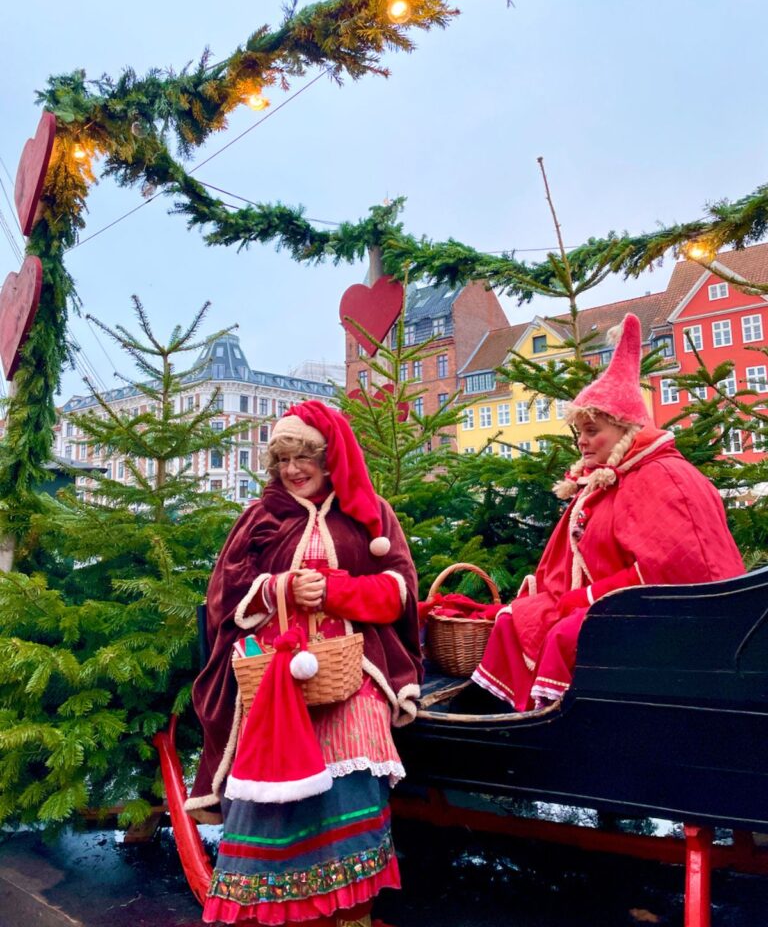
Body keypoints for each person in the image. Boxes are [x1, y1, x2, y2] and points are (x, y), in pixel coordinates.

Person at [185, 400, 422, 927]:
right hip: (272, 669)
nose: (293, 470)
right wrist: (278, 588)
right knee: (269, 767)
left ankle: (354, 907)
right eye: (284, 460)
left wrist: (339, 593)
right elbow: (225, 596)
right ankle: (275, 905)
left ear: (328, 457)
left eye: (304, 458)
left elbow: (402, 593)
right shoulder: (259, 517)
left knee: (355, 749)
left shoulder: (372, 514)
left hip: (353, 665)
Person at [472, 313, 745, 712]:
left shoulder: (661, 477)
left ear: (625, 430)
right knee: (516, 618)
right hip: (619, 606)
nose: (581, 442)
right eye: (578, 432)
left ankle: (549, 724)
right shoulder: (611, 476)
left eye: (592, 431)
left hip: (665, 622)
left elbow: (671, 572)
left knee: (564, 634)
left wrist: (582, 598)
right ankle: (511, 720)